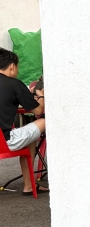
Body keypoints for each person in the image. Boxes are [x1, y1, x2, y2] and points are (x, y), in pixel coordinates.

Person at [0, 48, 46, 195]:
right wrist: (40, 95)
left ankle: (29, 185)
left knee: (29, 138)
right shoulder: (14, 84)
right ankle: (29, 186)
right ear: (12, 66)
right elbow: (38, 111)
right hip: (5, 141)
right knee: (43, 121)